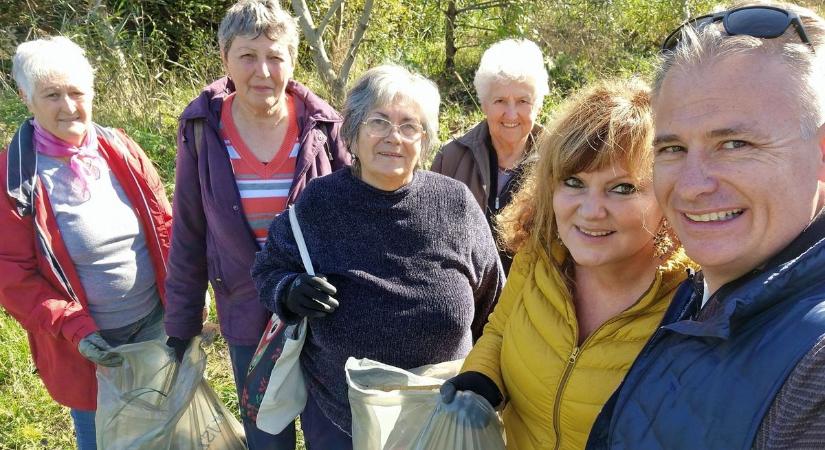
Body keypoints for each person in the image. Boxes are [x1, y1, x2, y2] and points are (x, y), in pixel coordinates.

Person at [586, 2, 825, 449]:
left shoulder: (816, 370)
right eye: (673, 149)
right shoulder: (706, 293)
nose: (692, 186)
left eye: (735, 144)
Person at [251, 64, 504, 449]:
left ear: (425, 140)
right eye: (379, 122)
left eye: (409, 126)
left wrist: (488, 379)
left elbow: (495, 302)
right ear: (352, 131)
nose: (394, 138)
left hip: (445, 418)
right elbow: (268, 268)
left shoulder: (456, 203)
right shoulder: (320, 203)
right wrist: (288, 291)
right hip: (343, 420)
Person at [439, 78, 694, 450]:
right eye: (574, 182)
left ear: (667, 194)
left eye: (622, 188)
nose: (591, 211)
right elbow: (500, 330)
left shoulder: (695, 304)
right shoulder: (540, 255)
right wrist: (481, 378)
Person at [162, 0, 349, 448]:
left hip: (319, 314)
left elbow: (355, 215)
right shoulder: (202, 132)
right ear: (225, 60)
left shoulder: (323, 128)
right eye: (247, 56)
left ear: (292, 61)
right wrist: (181, 324)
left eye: (275, 56)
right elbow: (188, 231)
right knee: (268, 437)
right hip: (246, 310)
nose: (262, 70)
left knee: (333, 438)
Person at [0, 36, 172, 450]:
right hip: (89, 344)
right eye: (52, 95)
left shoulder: (120, 148)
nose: (69, 106)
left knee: (166, 430)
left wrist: (183, 293)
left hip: (154, 325)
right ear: (27, 98)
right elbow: (13, 277)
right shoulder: (15, 177)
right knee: (103, 438)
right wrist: (75, 329)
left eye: (77, 92)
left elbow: (165, 225)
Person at [431, 38, 548, 274]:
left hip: (529, 301)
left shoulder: (558, 161)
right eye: (500, 101)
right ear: (484, 105)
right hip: (468, 296)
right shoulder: (451, 158)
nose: (511, 114)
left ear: (538, 106)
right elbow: (429, 235)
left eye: (523, 101)